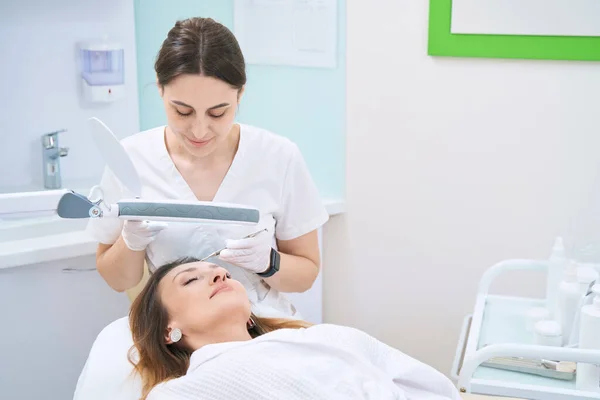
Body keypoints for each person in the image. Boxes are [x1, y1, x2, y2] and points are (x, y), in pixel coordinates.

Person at [86, 17, 329, 318]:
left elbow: (306, 274)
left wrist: (269, 262)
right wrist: (129, 242)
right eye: (182, 111)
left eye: (217, 113)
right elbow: (117, 279)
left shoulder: (278, 157)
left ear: (240, 94)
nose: (199, 130)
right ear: (160, 89)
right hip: (177, 335)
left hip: (263, 326)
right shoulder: (131, 159)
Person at [128, 259, 462, 400]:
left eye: (224, 274)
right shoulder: (181, 392)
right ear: (167, 330)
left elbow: (431, 389)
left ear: (250, 316)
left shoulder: (326, 336)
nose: (220, 275)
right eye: (190, 280)